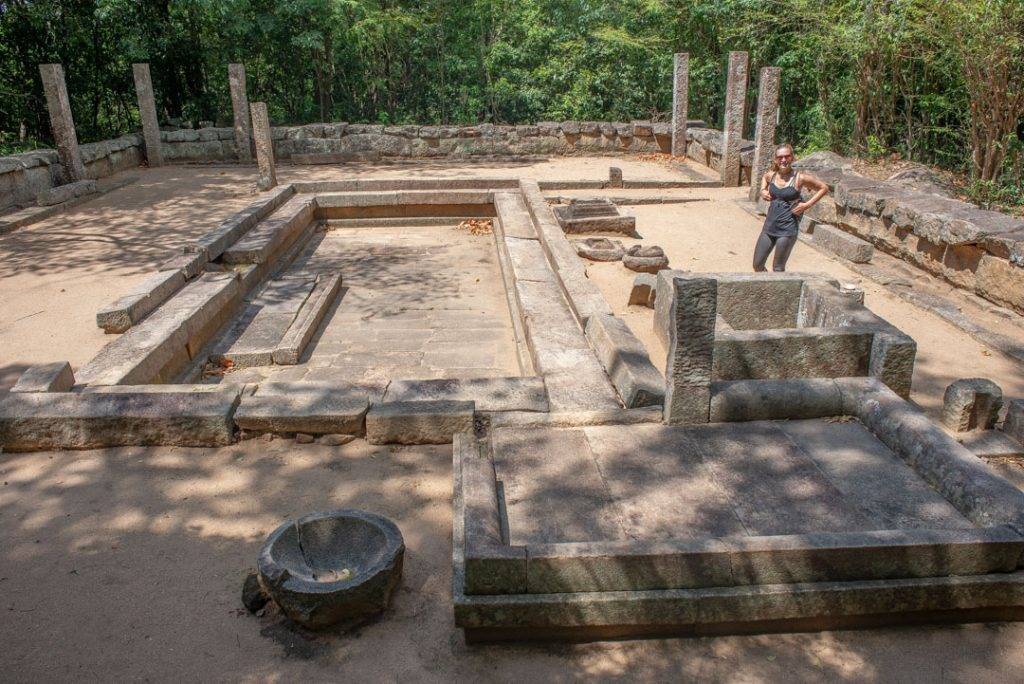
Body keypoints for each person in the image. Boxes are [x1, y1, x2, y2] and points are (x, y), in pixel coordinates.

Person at [752, 144, 829, 272]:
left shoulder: (800, 178)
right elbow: (764, 177)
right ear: (775, 160)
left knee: (778, 268)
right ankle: (768, 287)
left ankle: (776, 291)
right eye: (780, 157)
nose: (783, 160)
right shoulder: (771, 175)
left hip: (787, 229)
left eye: (787, 156)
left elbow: (824, 188)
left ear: (792, 158)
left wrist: (807, 205)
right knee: (757, 265)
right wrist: (762, 190)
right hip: (769, 226)